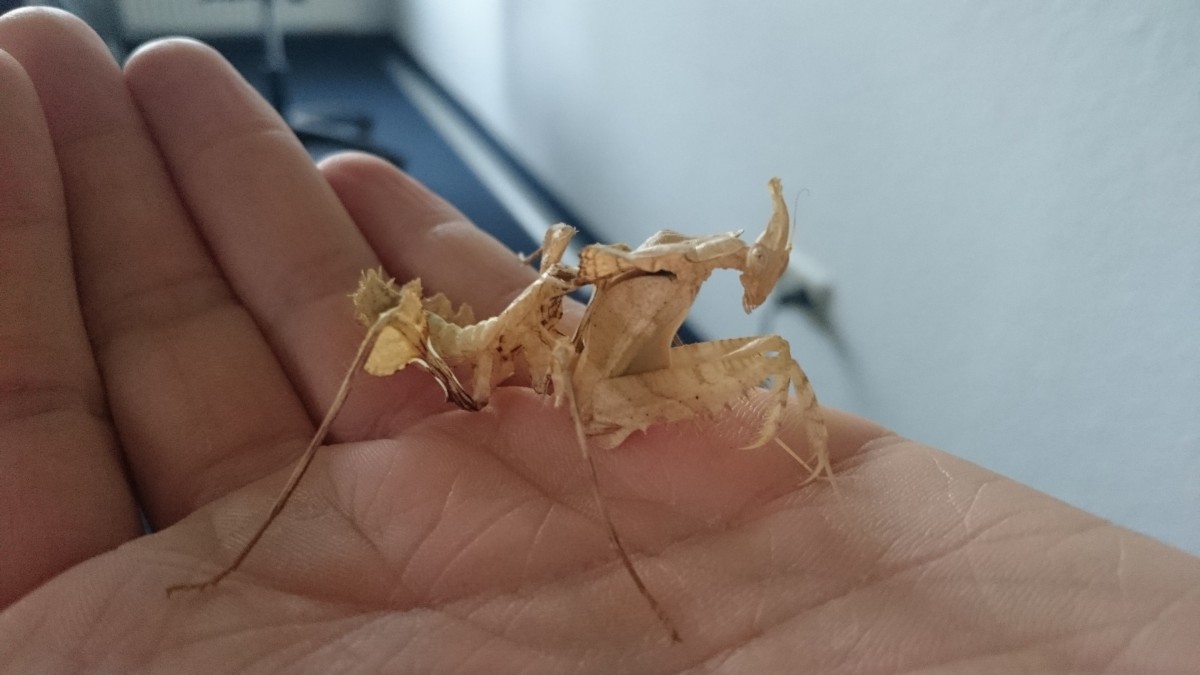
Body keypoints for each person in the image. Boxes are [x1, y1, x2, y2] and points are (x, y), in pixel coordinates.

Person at [0, 8, 1196, 672]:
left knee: (728, 353)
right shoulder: (527, 318)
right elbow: (559, 334)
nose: (731, 278)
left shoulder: (661, 293)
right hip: (462, 355)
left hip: (516, 349)